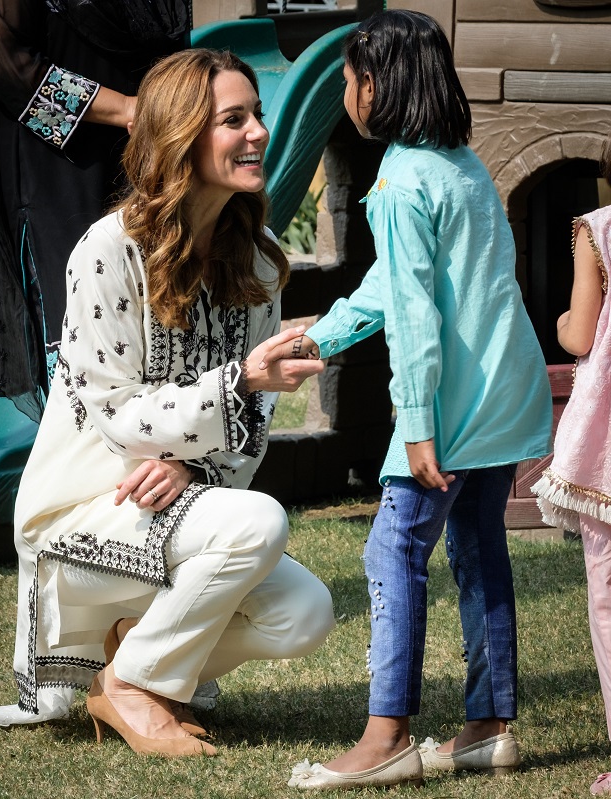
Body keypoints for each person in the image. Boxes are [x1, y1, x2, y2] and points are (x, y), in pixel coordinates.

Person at [0, 48, 335, 755]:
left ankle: (130, 667)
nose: (259, 131)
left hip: (178, 511)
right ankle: (140, 687)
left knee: (305, 611)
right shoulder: (107, 250)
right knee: (257, 523)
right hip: (79, 518)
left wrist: (195, 469)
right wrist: (240, 383)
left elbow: (253, 429)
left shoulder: (257, 258)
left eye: (256, 115)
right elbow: (116, 419)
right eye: (235, 119)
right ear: (182, 135)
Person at [260, 10, 553, 790]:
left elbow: (418, 314)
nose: (348, 91)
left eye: (353, 76)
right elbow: (396, 286)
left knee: (393, 552)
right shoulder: (460, 164)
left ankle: (386, 734)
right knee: (481, 551)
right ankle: (489, 726)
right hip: (505, 390)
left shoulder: (397, 178)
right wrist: (321, 336)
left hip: (451, 405)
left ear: (378, 85)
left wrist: (417, 425)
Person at [0, 0, 192, 417]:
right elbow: (3, 62)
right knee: (81, 336)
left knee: (157, 323)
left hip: (152, 162)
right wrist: (127, 108)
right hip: (61, 174)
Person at [532, 142, 611, 795]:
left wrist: (560, 319)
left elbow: (581, 336)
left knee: (609, 596)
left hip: (606, 453)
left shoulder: (600, 229)